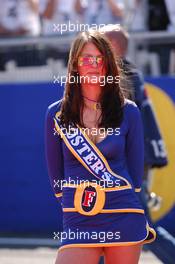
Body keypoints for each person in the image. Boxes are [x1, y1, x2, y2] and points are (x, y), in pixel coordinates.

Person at [45, 30, 156, 264]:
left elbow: (136, 177)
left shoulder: (129, 111)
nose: (93, 65)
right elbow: (57, 178)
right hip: (80, 219)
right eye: (86, 59)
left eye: (99, 59)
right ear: (75, 65)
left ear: (108, 65)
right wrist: (79, 204)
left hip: (123, 214)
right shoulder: (56, 114)